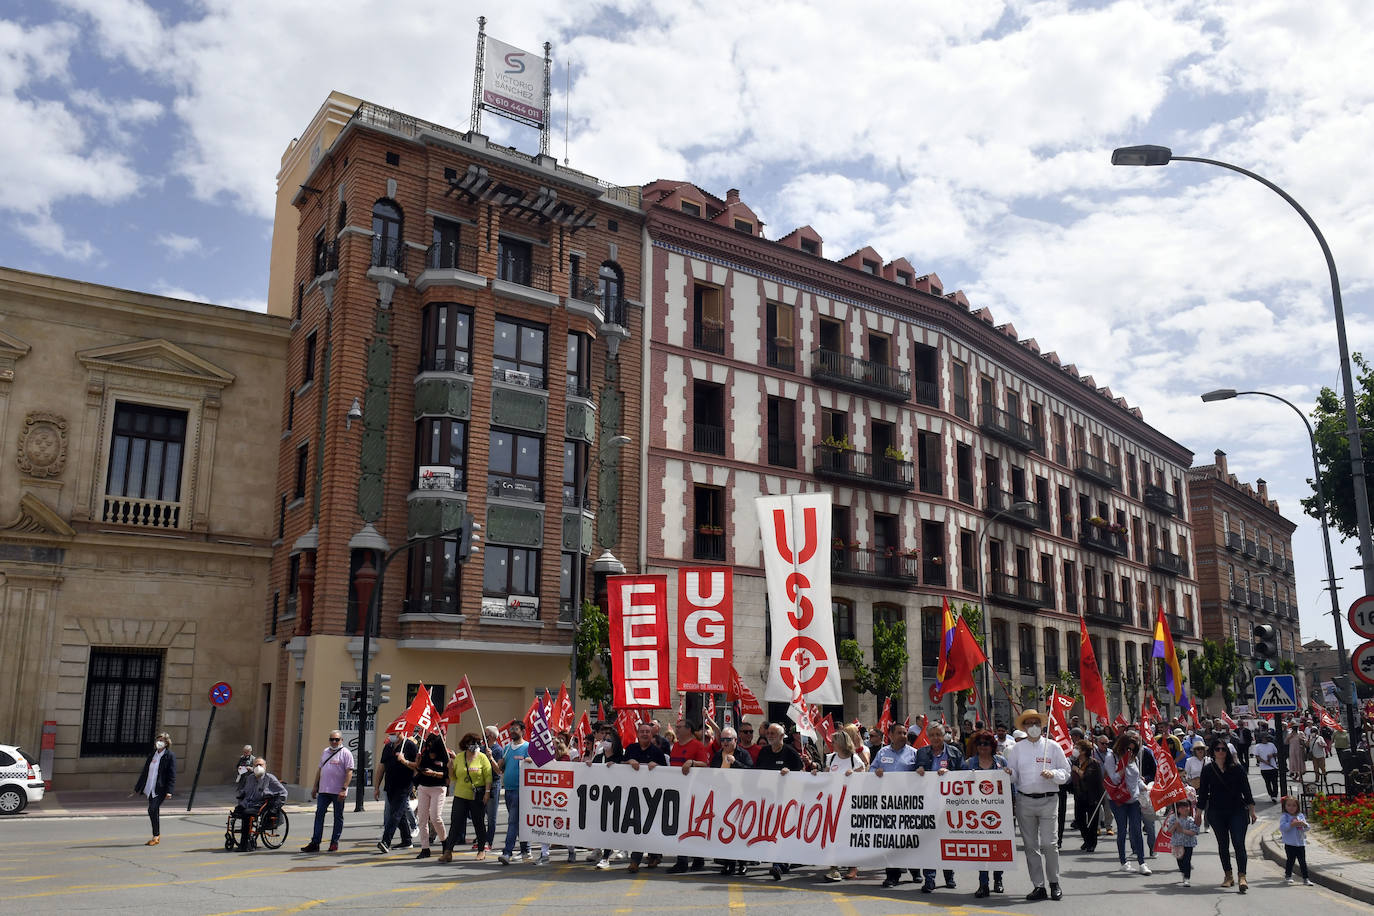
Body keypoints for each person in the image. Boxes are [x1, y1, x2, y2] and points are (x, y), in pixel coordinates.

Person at [1003, 709, 1069, 901]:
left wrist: (1054, 774)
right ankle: (1038, 886)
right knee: (1031, 846)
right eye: (1029, 723)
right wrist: (1009, 773)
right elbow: (1014, 776)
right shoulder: (1016, 749)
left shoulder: (1053, 746)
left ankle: (1054, 883)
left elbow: (1066, 773)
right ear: (1023, 727)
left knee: (1049, 844)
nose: (1033, 727)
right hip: (1025, 801)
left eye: (1036, 723)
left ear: (1042, 726)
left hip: (1049, 800)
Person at [1197, 739, 1256, 892]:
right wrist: (1198, 813)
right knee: (1223, 844)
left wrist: (1252, 810)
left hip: (1237, 810)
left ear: (1227, 751)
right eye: (1218, 749)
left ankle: (1242, 876)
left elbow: (1246, 790)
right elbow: (1203, 793)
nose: (1221, 752)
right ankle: (1228, 876)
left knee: (1238, 843)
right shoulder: (1208, 769)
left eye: (1223, 749)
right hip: (1216, 812)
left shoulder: (1237, 768)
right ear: (1213, 751)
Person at [914, 723, 962, 892]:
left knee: (947, 841)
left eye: (938, 735)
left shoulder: (954, 752)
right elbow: (912, 774)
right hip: (927, 804)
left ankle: (949, 877)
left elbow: (962, 775)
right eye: (932, 735)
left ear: (943, 736)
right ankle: (929, 879)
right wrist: (918, 770)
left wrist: (949, 773)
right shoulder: (921, 752)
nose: (935, 738)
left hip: (948, 805)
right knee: (929, 843)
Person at [754, 722, 805, 881]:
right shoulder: (764, 752)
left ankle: (779, 864)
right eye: (768, 733)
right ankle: (781, 863)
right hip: (767, 800)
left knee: (782, 832)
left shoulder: (790, 752)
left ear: (782, 736)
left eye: (773, 733)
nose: (769, 736)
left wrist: (790, 773)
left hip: (787, 800)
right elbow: (756, 773)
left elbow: (802, 772)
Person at [872, 720, 920, 889]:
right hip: (888, 804)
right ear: (891, 735)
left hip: (908, 804)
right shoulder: (882, 753)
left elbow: (923, 774)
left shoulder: (915, 753)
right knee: (890, 840)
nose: (903, 736)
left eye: (905, 733)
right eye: (899, 733)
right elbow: (871, 770)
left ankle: (915, 870)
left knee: (909, 838)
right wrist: (875, 772)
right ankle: (892, 875)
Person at [620, 720, 669, 874]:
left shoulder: (657, 752)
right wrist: (629, 761)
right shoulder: (631, 748)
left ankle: (654, 855)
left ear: (651, 734)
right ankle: (635, 860)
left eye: (648, 732)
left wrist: (658, 767)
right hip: (633, 795)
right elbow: (619, 766)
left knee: (650, 826)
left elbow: (668, 773)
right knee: (637, 827)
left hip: (652, 796)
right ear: (638, 734)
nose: (645, 734)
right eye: (642, 731)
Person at [965, 730, 1009, 898]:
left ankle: (998, 879)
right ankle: (983, 884)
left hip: (999, 811)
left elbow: (1010, 787)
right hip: (976, 813)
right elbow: (959, 785)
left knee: (998, 847)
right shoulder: (969, 763)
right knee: (981, 849)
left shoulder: (1001, 761)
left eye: (987, 743)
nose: (983, 747)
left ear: (993, 746)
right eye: (980, 744)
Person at [668, 720, 712, 873]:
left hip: (693, 792)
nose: (676, 729)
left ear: (688, 729)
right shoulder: (675, 746)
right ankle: (684, 860)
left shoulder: (697, 746)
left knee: (692, 827)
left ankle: (696, 859)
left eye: (679, 727)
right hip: (677, 791)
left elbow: (706, 765)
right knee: (680, 826)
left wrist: (692, 762)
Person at [440, 732, 492, 863]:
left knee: (478, 822)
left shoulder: (482, 757)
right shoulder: (459, 757)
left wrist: (487, 793)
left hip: (477, 795)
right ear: (465, 745)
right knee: (455, 823)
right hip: (460, 795)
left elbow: (488, 776)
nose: (474, 745)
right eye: (471, 743)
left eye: (477, 743)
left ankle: (481, 850)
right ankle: (448, 852)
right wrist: (450, 769)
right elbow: (453, 778)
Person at [1103, 733, 1150, 875]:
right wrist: (1124, 765)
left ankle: (1142, 862)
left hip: (1133, 799)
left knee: (1136, 829)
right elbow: (1115, 779)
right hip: (1118, 800)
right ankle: (1123, 861)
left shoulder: (1133, 758)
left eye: (1133, 750)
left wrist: (1145, 786)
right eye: (1127, 749)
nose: (1130, 752)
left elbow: (1136, 778)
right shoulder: (1112, 758)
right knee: (1122, 830)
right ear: (1121, 747)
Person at [710, 726, 754, 877]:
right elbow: (710, 774)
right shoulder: (717, 755)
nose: (725, 743)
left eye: (728, 739)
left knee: (740, 832)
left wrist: (735, 762)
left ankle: (742, 864)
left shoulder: (743, 754)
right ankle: (729, 863)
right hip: (723, 798)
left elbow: (751, 772)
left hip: (740, 799)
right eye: (722, 740)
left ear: (735, 740)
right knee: (726, 832)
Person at [823, 729, 865, 882]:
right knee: (833, 834)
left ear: (841, 743)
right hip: (833, 802)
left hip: (849, 803)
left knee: (848, 834)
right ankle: (833, 867)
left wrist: (854, 775)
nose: (831, 744)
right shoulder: (830, 758)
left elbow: (864, 778)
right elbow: (825, 777)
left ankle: (852, 866)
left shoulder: (855, 760)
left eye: (833, 741)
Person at [302, 730, 354, 853]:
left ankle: (334, 842)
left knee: (338, 817)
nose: (334, 742)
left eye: (337, 739)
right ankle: (315, 843)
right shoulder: (326, 751)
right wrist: (315, 787)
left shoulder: (346, 753)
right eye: (332, 739)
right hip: (324, 790)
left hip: (338, 791)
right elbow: (320, 770)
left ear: (341, 740)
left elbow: (349, 772)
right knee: (319, 815)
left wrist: (344, 789)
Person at [587, 721, 625, 870]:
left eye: (609, 740)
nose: (606, 742)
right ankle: (600, 850)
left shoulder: (620, 758)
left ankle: (606, 857)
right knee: (601, 826)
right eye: (604, 739)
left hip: (615, 798)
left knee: (610, 827)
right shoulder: (598, 757)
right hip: (600, 798)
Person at [231, 757, 287, 851]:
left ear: (265, 767)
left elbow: (283, 792)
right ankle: (245, 838)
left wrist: (277, 804)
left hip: (261, 804)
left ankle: (244, 844)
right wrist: (241, 795)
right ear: (253, 767)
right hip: (248, 803)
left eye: (260, 765)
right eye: (256, 765)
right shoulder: (250, 778)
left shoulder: (269, 778)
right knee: (236, 812)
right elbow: (245, 791)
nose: (258, 767)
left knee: (246, 814)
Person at [374, 732, 417, 853]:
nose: (391, 735)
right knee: (399, 813)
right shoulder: (388, 747)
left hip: (404, 786)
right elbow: (381, 767)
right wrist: (376, 787)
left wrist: (404, 761)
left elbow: (417, 766)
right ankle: (407, 840)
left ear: (401, 732)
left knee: (395, 814)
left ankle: (385, 841)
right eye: (390, 733)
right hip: (390, 786)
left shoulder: (410, 745)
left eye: (394, 733)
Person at [497, 722, 533, 865]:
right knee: (518, 822)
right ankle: (526, 850)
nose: (512, 731)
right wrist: (498, 762)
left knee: (512, 822)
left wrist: (530, 760)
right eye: (511, 729)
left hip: (520, 790)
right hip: (508, 790)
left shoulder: (528, 747)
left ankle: (507, 852)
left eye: (515, 729)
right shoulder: (506, 748)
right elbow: (501, 769)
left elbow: (535, 762)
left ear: (523, 731)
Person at [411, 732, 449, 858]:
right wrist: (417, 764)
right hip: (423, 787)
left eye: (433, 746)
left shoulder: (445, 756)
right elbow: (418, 770)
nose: (430, 749)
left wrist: (433, 773)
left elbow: (446, 775)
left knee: (435, 817)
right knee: (422, 819)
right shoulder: (424, 754)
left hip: (438, 788)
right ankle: (425, 848)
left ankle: (445, 842)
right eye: (429, 745)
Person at [134, 732, 176, 846]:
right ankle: (156, 836)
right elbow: (145, 771)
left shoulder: (170, 756)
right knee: (154, 810)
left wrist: (169, 791)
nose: (159, 742)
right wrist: (138, 787)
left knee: (152, 809)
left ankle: (156, 835)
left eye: (162, 740)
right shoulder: (153, 754)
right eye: (158, 740)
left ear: (166, 743)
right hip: (150, 787)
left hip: (161, 789)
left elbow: (172, 775)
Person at [1071, 738, 1103, 851]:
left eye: (1077, 748)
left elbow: (1087, 777)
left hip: (1092, 797)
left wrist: (1077, 770)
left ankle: (1092, 843)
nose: (1075, 750)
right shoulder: (1075, 762)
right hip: (1079, 796)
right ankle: (1086, 840)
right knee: (1080, 820)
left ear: (1084, 751)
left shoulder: (1093, 763)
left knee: (1092, 822)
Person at [1279, 795, 1313, 886]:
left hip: (1300, 843)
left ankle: (1306, 878)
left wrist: (1304, 825)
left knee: (1302, 861)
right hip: (1290, 843)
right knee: (1291, 860)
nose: (1291, 808)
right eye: (1289, 805)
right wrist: (1291, 824)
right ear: (1285, 806)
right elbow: (1282, 828)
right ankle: (1288, 875)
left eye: (1294, 805)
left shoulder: (1300, 815)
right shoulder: (1285, 816)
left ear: (1297, 807)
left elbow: (1307, 827)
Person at [1164, 799, 1199, 887]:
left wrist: (1182, 830)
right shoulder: (1173, 818)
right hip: (1177, 843)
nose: (1186, 809)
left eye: (1187, 806)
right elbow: (1170, 831)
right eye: (1182, 807)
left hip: (1188, 843)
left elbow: (1194, 832)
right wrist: (1175, 826)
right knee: (1180, 860)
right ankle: (1183, 872)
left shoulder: (1191, 819)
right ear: (1178, 809)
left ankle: (1187, 878)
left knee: (1187, 860)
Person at [481, 726, 503, 853]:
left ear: (493, 736)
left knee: (491, 816)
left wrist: (490, 757)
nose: (484, 735)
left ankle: (489, 842)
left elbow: (499, 770)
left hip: (493, 784)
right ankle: (482, 840)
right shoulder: (482, 748)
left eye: (487, 734)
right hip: (482, 784)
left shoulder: (498, 750)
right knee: (480, 814)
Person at [1252, 730, 1280, 802]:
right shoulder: (1258, 746)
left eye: (1267, 738)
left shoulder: (1271, 745)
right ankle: (1271, 794)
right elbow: (1257, 757)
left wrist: (1272, 755)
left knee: (1274, 782)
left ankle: (1275, 795)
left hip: (1273, 767)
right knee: (1268, 783)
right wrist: (1265, 762)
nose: (1266, 739)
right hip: (1264, 768)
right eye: (1265, 738)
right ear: (1261, 739)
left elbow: (1276, 753)